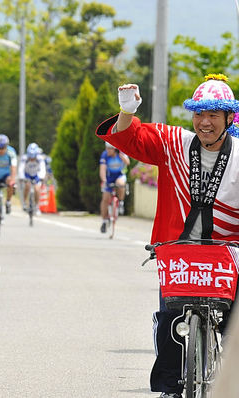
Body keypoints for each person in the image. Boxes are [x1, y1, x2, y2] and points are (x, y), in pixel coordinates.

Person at [96, 74, 239, 398]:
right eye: (199, 114)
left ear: (229, 118)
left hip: (228, 254)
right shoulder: (176, 142)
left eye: (214, 115)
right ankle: (170, 388)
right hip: (179, 251)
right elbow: (132, 139)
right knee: (172, 319)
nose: (205, 123)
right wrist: (128, 113)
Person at [99, 141, 130, 233]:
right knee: (105, 198)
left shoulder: (121, 153)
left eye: (110, 148)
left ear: (115, 149)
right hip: (109, 177)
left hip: (119, 175)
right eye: (106, 148)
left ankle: (120, 202)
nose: (107, 150)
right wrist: (104, 180)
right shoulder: (105, 155)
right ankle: (104, 220)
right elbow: (102, 169)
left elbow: (127, 163)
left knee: (120, 183)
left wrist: (121, 156)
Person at [19, 142, 46, 213]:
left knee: (37, 189)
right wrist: (22, 177)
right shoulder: (24, 158)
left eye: (33, 157)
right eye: (30, 156)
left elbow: (43, 169)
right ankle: (24, 202)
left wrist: (41, 177)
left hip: (36, 175)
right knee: (27, 185)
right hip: (27, 174)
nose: (31, 158)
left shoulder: (40, 158)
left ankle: (37, 206)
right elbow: (21, 169)